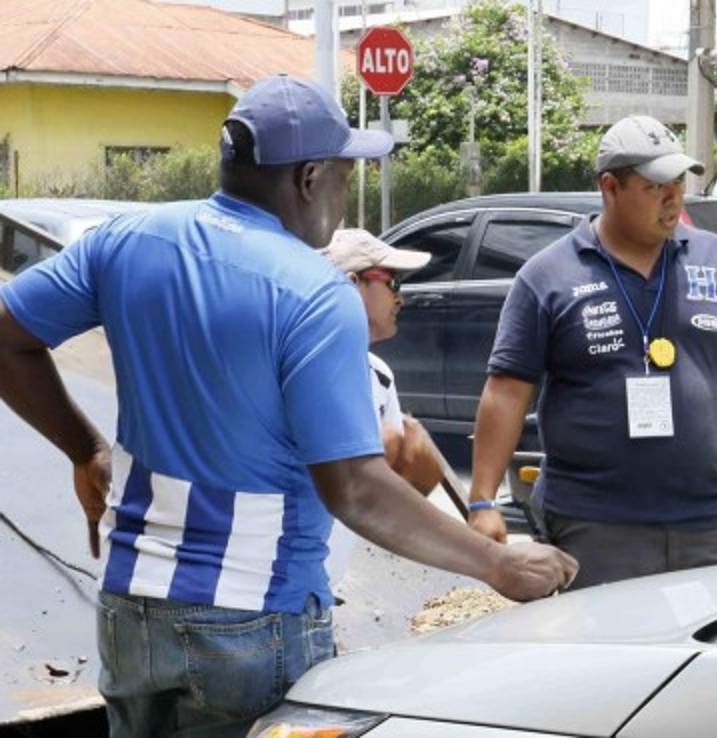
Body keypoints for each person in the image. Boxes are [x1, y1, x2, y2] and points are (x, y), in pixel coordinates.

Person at [0, 75, 576, 738]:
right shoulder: (313, 292)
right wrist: (497, 563)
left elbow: (8, 339)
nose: (345, 195)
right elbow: (355, 487)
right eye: (344, 175)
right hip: (252, 623)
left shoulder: (128, 241)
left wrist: (86, 450)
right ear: (308, 178)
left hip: (132, 608)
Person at [467, 114, 717, 589]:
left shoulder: (715, 259)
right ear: (610, 187)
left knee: (713, 639)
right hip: (595, 525)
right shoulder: (548, 276)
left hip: (710, 519)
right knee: (610, 640)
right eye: (655, 186)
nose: (673, 197)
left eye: (678, 182)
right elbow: (507, 390)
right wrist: (482, 500)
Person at [318, 228, 445, 583]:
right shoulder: (298, 369)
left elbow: (380, 504)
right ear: (351, 284)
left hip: (325, 586)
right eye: (392, 283)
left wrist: (412, 480)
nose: (400, 299)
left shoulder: (380, 376)